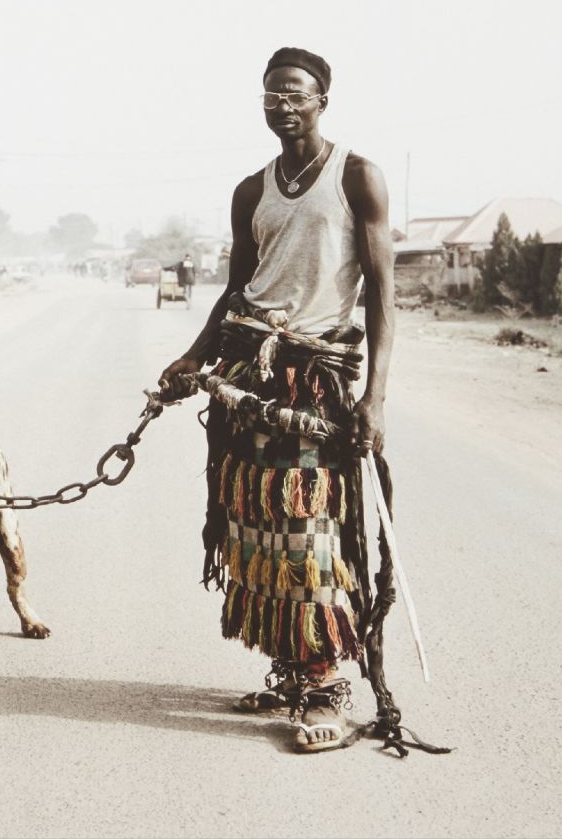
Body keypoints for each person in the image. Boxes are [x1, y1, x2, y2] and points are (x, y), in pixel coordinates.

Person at [159, 46, 396, 755]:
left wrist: (374, 400)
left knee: (310, 530)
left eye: (293, 91)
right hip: (245, 374)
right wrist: (193, 358)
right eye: (269, 93)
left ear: (321, 98)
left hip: (314, 379)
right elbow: (236, 290)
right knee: (254, 528)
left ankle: (325, 683)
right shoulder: (248, 190)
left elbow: (383, 295)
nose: (280, 103)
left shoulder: (358, 175)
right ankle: (291, 669)